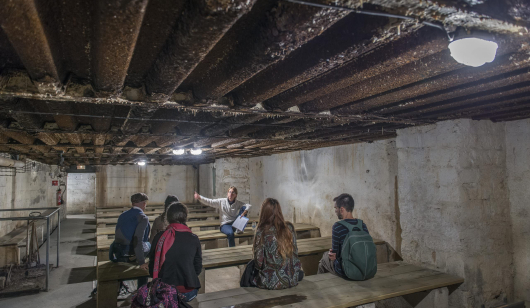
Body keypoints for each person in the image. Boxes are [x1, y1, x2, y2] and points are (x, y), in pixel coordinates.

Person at [149, 202, 202, 302]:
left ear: (168, 218)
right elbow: (198, 268)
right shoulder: (194, 238)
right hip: (188, 291)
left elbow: (152, 268)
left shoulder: (159, 237)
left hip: (164, 290)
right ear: (185, 218)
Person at [251, 198, 303, 290]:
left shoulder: (262, 231)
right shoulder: (289, 227)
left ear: (263, 212)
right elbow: (295, 255)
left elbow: (258, 263)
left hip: (271, 282)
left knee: (248, 271)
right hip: (293, 279)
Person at [317, 193, 369, 277]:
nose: (335, 211)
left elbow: (335, 253)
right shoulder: (362, 225)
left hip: (346, 270)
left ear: (341, 209)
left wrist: (333, 254)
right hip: (365, 269)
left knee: (324, 258)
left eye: (336, 208)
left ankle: (319, 285)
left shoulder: (337, 226)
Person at [109, 192, 151, 288]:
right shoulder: (143, 217)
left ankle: (120, 287)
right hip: (129, 252)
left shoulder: (123, 215)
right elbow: (137, 240)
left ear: (132, 203)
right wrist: (141, 262)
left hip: (118, 252)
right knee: (151, 246)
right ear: (144, 203)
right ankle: (142, 289)